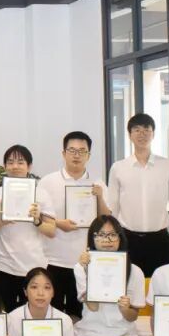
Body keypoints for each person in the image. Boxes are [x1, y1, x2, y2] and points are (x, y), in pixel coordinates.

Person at [38, 131, 110, 317]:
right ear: (64, 153)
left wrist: (100, 197)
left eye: (82, 151)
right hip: (52, 260)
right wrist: (59, 223)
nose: (76, 155)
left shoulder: (97, 183)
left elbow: (107, 219)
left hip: (84, 261)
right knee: (51, 314)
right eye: (72, 150)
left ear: (89, 155)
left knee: (79, 315)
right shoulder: (47, 182)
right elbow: (38, 218)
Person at [107, 113, 169, 278]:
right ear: (130, 135)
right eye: (136, 130)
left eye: (146, 130)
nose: (141, 134)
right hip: (128, 238)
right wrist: (110, 237)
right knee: (128, 285)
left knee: (160, 285)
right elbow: (112, 207)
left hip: (159, 239)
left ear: (153, 134)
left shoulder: (168, 166)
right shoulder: (118, 168)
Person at [0, 145, 56, 310]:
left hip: (34, 265)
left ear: (29, 166)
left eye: (20, 162)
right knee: (5, 314)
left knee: (34, 313)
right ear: (5, 166)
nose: (15, 166)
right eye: (10, 162)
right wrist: (0, 223)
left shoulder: (41, 194)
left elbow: (51, 231)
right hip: (3, 265)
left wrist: (37, 221)